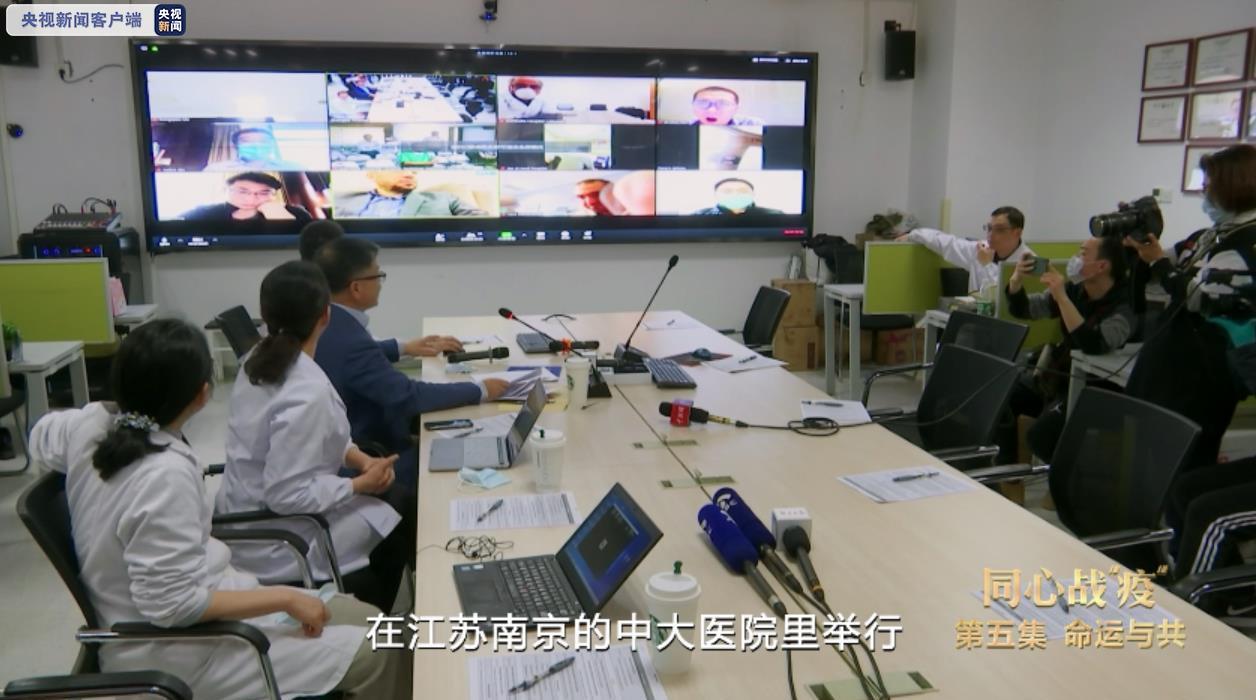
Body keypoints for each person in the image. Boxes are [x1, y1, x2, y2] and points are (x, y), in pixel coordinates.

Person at [29, 319, 409, 699]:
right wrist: (287, 598)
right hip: (188, 652)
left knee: (377, 624)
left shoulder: (89, 426)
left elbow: (39, 435)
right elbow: (174, 606)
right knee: (382, 649)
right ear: (202, 395)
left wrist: (115, 417)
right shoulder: (164, 477)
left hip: (209, 607)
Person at [216, 262, 413, 615]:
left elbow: (316, 438)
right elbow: (286, 495)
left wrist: (360, 459)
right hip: (280, 540)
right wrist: (359, 485)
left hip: (248, 515)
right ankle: (365, 620)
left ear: (265, 314)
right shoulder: (307, 391)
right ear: (326, 315)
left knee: (397, 500)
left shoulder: (258, 359)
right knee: (402, 511)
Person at [1125, 145, 1256, 588]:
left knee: (1188, 471)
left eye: (1210, 184)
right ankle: (1182, 560)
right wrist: (1148, 249)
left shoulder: (1248, 244)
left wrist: (1161, 265)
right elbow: (1178, 270)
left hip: (1203, 377)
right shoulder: (1215, 234)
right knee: (1164, 473)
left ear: (1234, 186)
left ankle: (1198, 573)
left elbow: (1202, 298)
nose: (1204, 193)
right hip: (1170, 366)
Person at [314, 238, 508, 485]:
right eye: (378, 276)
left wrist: (405, 347)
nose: (381, 284)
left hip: (352, 442)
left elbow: (356, 356)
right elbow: (407, 396)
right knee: (469, 458)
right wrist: (479, 390)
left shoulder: (329, 320)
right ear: (356, 288)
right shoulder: (352, 341)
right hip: (374, 455)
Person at [1003, 236, 1134, 460]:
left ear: (1102, 266)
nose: (1075, 259)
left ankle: (1058, 480)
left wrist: (1062, 298)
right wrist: (1015, 282)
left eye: (1082, 254)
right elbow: (1026, 309)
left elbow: (1093, 343)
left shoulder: (1126, 304)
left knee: (1041, 436)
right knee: (1003, 397)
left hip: (1097, 387)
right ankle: (1008, 472)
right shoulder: (1076, 289)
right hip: (1061, 376)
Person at [297, 220, 461, 358]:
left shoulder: (308, 290)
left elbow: (360, 348)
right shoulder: (319, 309)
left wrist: (406, 347)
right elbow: (356, 351)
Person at [896, 206, 1034, 293]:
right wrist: (913, 234)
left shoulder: (1029, 263)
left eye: (999, 229)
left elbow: (1001, 298)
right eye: (989, 228)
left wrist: (986, 264)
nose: (990, 234)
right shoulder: (982, 248)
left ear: (1017, 233)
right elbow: (948, 243)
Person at [336, 171, 485, 218]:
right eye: (398, 169)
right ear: (371, 174)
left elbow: (483, 221)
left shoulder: (444, 198)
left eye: (413, 171)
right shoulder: (341, 199)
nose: (409, 174)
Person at [182, 171, 313, 224]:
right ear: (226, 191)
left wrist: (278, 214)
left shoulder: (295, 212)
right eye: (242, 192)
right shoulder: (203, 212)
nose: (251, 199)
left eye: (263, 193)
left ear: (274, 194)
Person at [206, 128, 304, 171]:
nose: (256, 145)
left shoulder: (294, 167)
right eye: (246, 141)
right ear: (235, 146)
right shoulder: (215, 168)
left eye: (263, 141)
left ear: (271, 145)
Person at [690, 178, 783, 216]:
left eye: (742, 191)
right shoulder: (699, 214)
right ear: (716, 195)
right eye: (727, 191)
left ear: (753, 194)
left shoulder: (774, 214)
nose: (735, 194)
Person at [690, 86, 763, 126]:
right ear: (693, 106)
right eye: (703, 103)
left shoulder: (754, 124)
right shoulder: (686, 126)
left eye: (722, 104)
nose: (711, 110)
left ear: (735, 108)